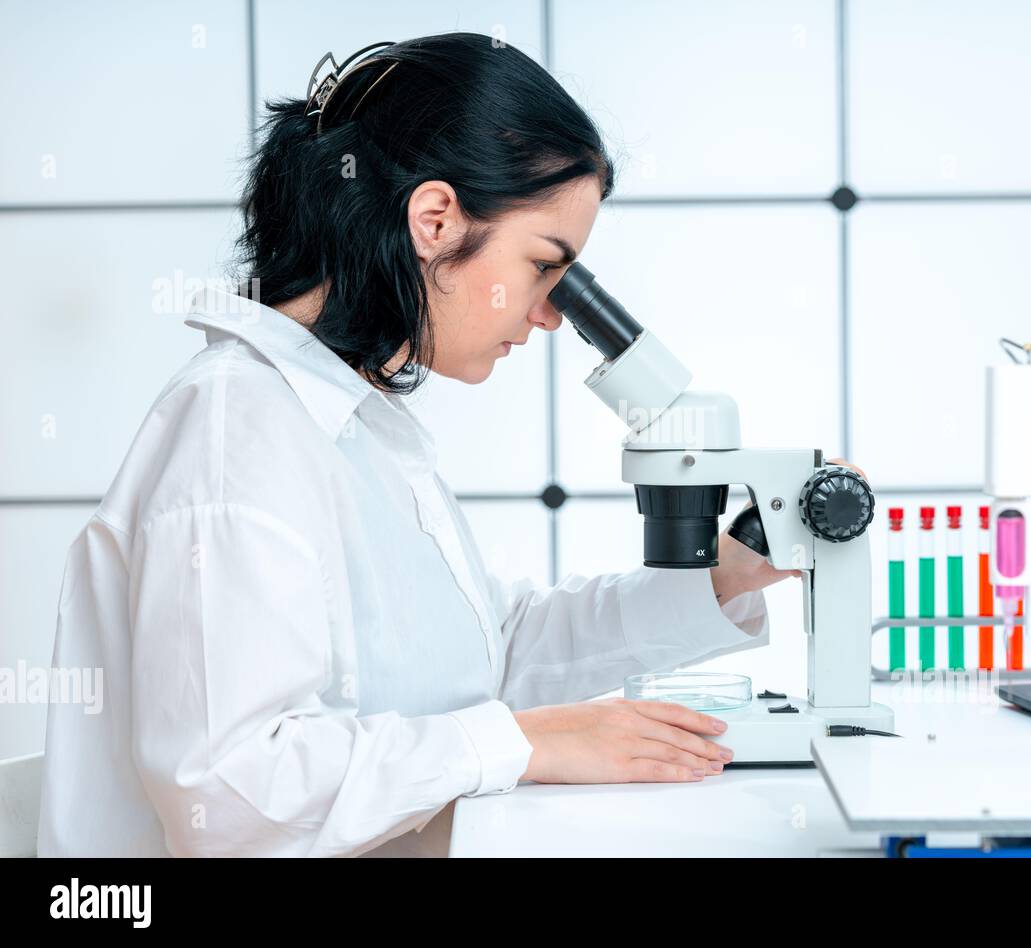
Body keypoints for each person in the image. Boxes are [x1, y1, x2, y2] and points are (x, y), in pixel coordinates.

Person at [37, 33, 804, 857]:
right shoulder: (240, 427)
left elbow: (486, 662)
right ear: (435, 220)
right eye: (546, 267)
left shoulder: (350, 423)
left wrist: (719, 579)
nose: (550, 314)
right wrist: (524, 741)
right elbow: (231, 789)